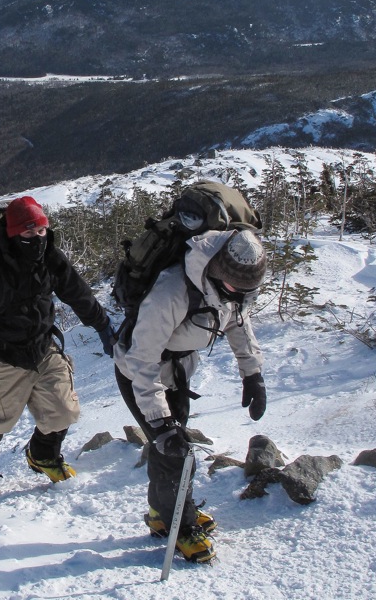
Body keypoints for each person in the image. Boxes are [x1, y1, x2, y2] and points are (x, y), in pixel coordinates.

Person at [113, 227, 268, 564]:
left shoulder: (229, 290)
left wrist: (252, 373)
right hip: (139, 374)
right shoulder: (172, 290)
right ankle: (178, 526)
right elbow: (142, 360)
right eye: (235, 289)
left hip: (177, 372)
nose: (239, 297)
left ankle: (161, 512)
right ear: (217, 271)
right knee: (176, 453)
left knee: (169, 446)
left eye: (247, 291)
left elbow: (238, 323)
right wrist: (160, 419)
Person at [0, 195, 116, 497]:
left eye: (40, 231)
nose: (36, 238)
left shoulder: (49, 258)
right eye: (28, 232)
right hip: (1, 355)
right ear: (12, 233)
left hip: (43, 347)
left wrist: (102, 325)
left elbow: (77, 292)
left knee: (64, 411)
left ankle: (43, 454)